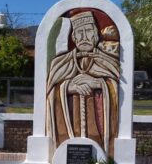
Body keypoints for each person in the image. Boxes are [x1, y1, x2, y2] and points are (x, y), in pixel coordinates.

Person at [46, 11, 120, 155]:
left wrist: (97, 83)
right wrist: (69, 87)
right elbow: (49, 92)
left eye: (88, 31)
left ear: (96, 34)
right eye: (79, 33)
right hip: (70, 125)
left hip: (99, 126)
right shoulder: (60, 63)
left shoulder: (107, 62)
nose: (84, 37)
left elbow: (118, 89)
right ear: (73, 37)